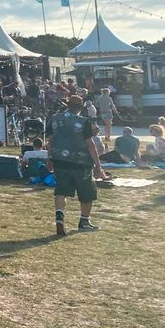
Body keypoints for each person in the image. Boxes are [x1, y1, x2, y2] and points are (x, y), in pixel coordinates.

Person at [47, 95, 106, 235]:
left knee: (61, 191)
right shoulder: (83, 121)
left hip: (59, 160)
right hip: (81, 162)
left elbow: (50, 141)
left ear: (67, 105)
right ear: (80, 108)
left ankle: (60, 218)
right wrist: (98, 165)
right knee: (87, 192)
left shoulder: (55, 119)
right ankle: (84, 221)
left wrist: (49, 158)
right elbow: (90, 145)